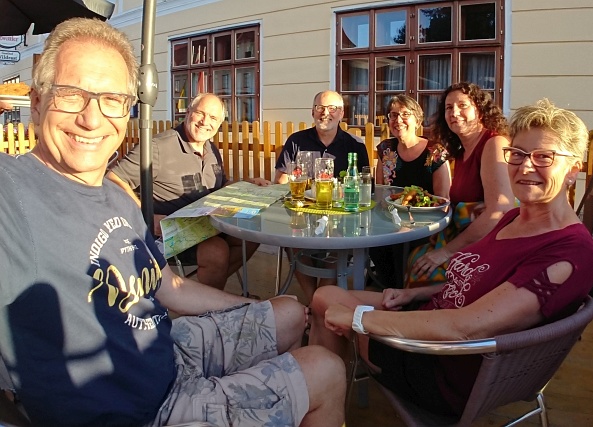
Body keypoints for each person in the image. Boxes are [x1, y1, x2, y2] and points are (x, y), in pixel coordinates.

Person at [0, 17, 345, 427]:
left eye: (112, 99)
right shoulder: (14, 193)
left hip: (168, 348)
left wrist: (250, 307)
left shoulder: (117, 196)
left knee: (287, 310)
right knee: (326, 369)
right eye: (71, 95)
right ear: (37, 102)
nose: (92, 119)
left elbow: (166, 285)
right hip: (144, 409)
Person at [309, 98, 593, 417]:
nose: (525, 166)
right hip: (433, 322)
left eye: (543, 157)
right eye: (517, 154)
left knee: (328, 306)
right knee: (325, 297)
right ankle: (327, 392)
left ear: (573, 170)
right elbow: (480, 282)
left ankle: (323, 399)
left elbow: (467, 328)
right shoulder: (514, 218)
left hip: (443, 366)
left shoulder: (568, 253)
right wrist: (415, 293)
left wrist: (359, 320)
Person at [107, 93, 268, 291]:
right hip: (167, 233)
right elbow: (113, 179)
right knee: (216, 251)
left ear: (220, 124)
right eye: (200, 113)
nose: (205, 122)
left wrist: (247, 184)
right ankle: (207, 303)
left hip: (208, 225)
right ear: (188, 112)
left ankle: (201, 291)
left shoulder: (210, 148)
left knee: (253, 234)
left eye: (213, 118)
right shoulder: (158, 147)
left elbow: (220, 184)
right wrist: (146, 216)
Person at [405, 82, 514, 287]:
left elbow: (500, 211)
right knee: (414, 257)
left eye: (462, 105)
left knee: (422, 272)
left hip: (489, 248)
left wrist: (445, 252)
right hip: (464, 239)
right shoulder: (462, 151)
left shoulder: (494, 143)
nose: (454, 112)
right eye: (449, 108)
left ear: (479, 110)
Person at [274, 90, 370, 303]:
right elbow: (280, 182)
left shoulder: (355, 146)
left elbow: (364, 186)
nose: (325, 113)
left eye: (332, 108)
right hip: (303, 213)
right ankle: (312, 301)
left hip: (341, 217)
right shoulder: (296, 141)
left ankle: (320, 298)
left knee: (342, 242)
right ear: (312, 111)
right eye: (320, 108)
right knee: (294, 239)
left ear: (341, 113)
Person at [370, 94, 451, 288]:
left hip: (425, 224)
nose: (398, 120)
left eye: (405, 114)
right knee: (374, 245)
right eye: (393, 115)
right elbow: (380, 191)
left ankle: (400, 293)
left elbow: (443, 200)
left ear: (418, 121)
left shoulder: (435, 152)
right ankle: (389, 289)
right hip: (391, 219)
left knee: (401, 245)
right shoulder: (386, 149)